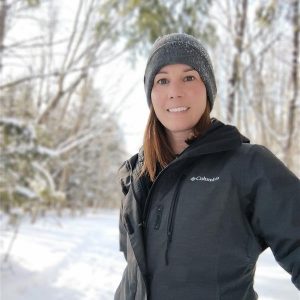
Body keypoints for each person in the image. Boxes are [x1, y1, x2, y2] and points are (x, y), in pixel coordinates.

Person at [114, 33, 300, 300]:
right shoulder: (133, 175)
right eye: (162, 80)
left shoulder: (248, 165)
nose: (175, 91)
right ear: (151, 93)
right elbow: (134, 268)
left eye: (189, 77)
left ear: (208, 88)